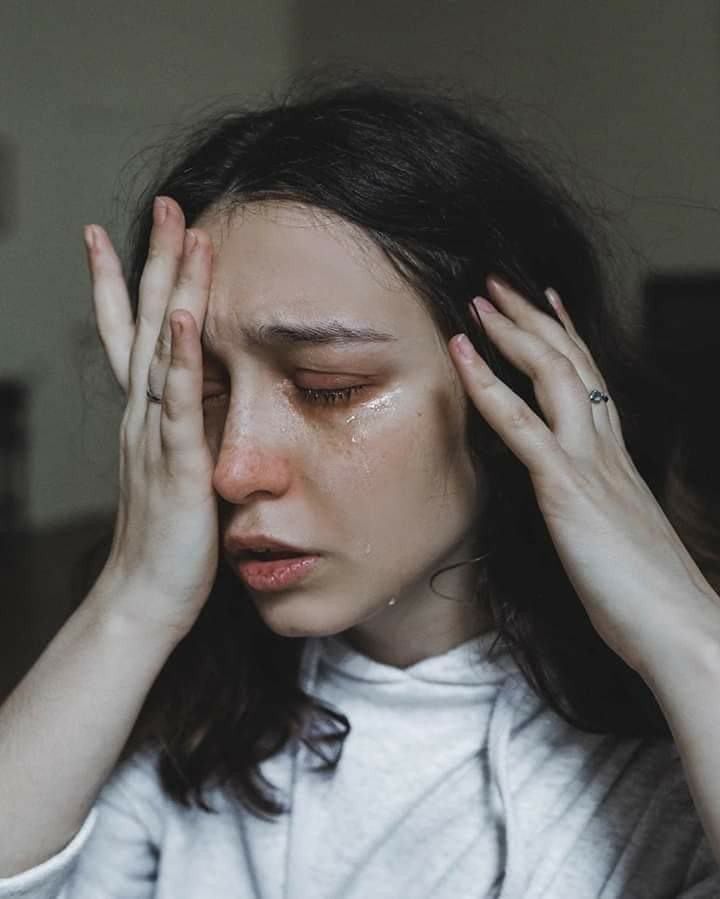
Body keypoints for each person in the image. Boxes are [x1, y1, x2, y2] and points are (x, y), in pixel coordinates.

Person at [1, 71, 719, 897]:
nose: (234, 468)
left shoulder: (669, 764)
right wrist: (132, 602)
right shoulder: (186, 720)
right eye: (202, 389)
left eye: (327, 387)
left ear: (519, 389)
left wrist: (688, 638)